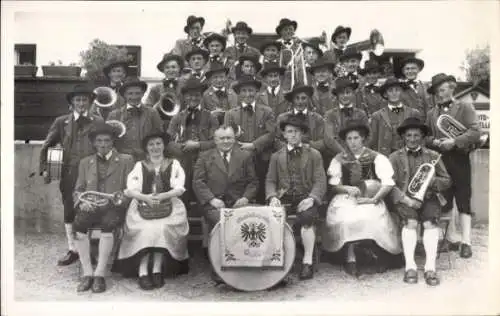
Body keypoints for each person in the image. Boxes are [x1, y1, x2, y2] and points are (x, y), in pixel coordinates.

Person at [322, 119, 402, 277]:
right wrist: (346, 188)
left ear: (363, 138)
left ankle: (380, 253)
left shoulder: (375, 157)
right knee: (346, 219)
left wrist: (374, 199)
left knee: (373, 216)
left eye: (356, 138)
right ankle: (350, 257)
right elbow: (333, 185)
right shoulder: (339, 159)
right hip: (344, 197)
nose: (353, 142)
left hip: (371, 196)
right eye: (349, 139)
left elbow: (387, 183)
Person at [39, 84, 103, 266]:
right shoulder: (61, 122)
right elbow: (47, 145)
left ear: (90, 102)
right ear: (72, 103)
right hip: (69, 173)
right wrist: (45, 168)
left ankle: (89, 250)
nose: (81, 103)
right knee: (70, 210)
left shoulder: (98, 121)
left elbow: (105, 145)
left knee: (90, 208)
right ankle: (73, 249)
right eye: (78, 100)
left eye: (85, 100)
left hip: (92, 173)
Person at [115, 133, 189, 290]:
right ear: (146, 148)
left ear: (164, 146)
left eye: (158, 143)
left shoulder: (173, 164)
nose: (155, 147)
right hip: (143, 206)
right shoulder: (139, 165)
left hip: (170, 205)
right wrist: (145, 198)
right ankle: (142, 270)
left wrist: (164, 195)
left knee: (161, 228)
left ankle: (156, 269)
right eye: (151, 145)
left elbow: (179, 188)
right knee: (147, 229)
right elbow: (130, 190)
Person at [72, 122, 134, 293]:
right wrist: (83, 202)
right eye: (99, 141)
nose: (103, 144)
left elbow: (130, 190)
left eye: (107, 140)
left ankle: (100, 274)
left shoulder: (126, 160)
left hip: (114, 207)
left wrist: (115, 201)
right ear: (93, 143)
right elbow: (78, 189)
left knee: (108, 226)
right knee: (79, 226)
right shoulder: (85, 162)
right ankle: (87, 273)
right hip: (90, 206)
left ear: (113, 140)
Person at [389, 117, 451, 286]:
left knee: (430, 223)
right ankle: (410, 266)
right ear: (403, 137)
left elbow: (446, 180)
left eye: (416, 135)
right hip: (405, 200)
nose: (412, 139)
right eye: (408, 135)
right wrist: (407, 200)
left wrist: (432, 181)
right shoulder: (394, 157)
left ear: (422, 136)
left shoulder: (433, 156)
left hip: (429, 198)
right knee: (410, 222)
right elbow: (389, 184)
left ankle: (430, 268)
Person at [192, 125, 259, 283]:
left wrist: (245, 198)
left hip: (238, 203)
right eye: (222, 138)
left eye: (229, 138)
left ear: (234, 139)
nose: (226, 141)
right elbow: (198, 182)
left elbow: (253, 182)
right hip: (214, 204)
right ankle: (219, 267)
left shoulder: (244, 156)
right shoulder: (204, 156)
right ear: (215, 140)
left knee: (247, 222)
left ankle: (244, 264)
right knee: (222, 223)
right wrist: (211, 199)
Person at [425, 73, 481, 259]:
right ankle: (450, 238)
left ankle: (466, 242)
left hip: (460, 159)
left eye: (442, 90)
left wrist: (454, 141)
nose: (439, 95)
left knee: (463, 199)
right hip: (441, 161)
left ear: (451, 88)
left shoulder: (464, 106)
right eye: (436, 92)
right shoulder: (431, 113)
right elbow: (426, 138)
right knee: (445, 200)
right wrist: (436, 142)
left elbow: (475, 132)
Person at [266, 115, 327, 280]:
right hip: (284, 198)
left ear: (303, 134)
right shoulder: (276, 156)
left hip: (305, 197)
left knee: (307, 218)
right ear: (284, 135)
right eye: (289, 132)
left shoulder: (314, 154)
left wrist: (312, 198)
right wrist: (272, 197)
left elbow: (320, 180)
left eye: (297, 132)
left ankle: (307, 262)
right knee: (273, 217)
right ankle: (278, 261)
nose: (293, 135)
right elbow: (270, 180)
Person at [224, 75, 276, 204]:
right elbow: (227, 136)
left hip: (262, 158)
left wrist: (254, 145)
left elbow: (271, 134)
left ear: (257, 92)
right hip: (239, 158)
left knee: (262, 188)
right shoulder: (231, 114)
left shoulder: (267, 111)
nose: (248, 94)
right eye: (244, 91)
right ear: (239, 93)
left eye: (251, 90)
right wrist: (241, 148)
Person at [167, 77, 219, 205]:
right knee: (182, 197)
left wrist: (197, 145)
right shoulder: (177, 118)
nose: (193, 98)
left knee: (204, 199)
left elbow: (217, 142)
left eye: (196, 95)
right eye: (189, 96)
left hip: (205, 163)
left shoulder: (210, 117)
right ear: (184, 97)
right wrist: (183, 148)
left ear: (201, 96)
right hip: (183, 162)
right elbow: (167, 143)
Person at [107, 78, 164, 161]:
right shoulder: (114, 114)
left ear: (143, 94)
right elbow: (108, 140)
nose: (134, 97)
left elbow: (159, 137)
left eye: (138, 93)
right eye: (130, 93)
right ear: (124, 95)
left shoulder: (152, 113)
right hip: (121, 160)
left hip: (147, 159)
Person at [369, 77, 420, 157]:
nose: (394, 93)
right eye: (390, 91)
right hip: (386, 157)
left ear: (402, 92)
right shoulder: (377, 116)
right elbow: (373, 142)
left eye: (397, 90)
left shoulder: (413, 113)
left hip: (408, 156)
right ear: (385, 94)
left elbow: (420, 139)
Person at [324, 77, 368, 156]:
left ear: (353, 94)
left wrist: (358, 152)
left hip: (359, 155)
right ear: (337, 95)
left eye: (348, 92)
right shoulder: (330, 115)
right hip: (337, 155)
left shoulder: (361, 114)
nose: (345, 96)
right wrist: (344, 153)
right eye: (341, 93)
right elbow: (329, 139)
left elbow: (368, 136)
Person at [277, 84, 325, 154]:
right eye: (297, 98)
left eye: (303, 98)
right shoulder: (282, 118)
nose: (300, 102)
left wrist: (307, 146)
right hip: (288, 156)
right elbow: (277, 140)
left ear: (308, 99)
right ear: (292, 100)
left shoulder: (318, 119)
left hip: (311, 156)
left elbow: (322, 143)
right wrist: (290, 148)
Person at [144, 53, 185, 131]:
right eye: (167, 67)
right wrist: (157, 105)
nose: (170, 70)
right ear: (163, 70)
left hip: (181, 126)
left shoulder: (185, 87)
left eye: (173, 67)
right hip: (161, 126)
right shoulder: (155, 89)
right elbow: (147, 107)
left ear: (179, 69)